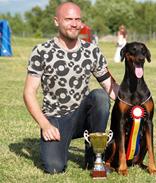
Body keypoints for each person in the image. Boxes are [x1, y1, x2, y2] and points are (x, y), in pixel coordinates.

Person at [23, 2, 119, 174]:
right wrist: (45, 125)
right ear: (56, 21)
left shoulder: (92, 50)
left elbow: (109, 86)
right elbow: (29, 93)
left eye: (77, 19)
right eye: (68, 19)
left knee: (99, 96)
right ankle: (58, 149)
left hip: (82, 117)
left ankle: (94, 159)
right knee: (54, 167)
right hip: (55, 120)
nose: (74, 23)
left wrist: (133, 102)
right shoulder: (41, 51)